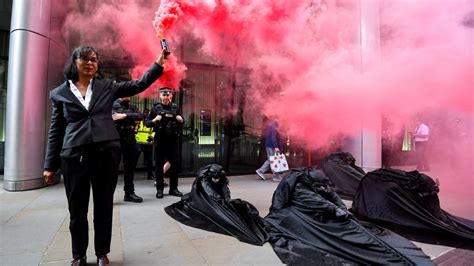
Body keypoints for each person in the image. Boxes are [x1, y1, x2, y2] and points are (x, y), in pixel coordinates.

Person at [43, 46, 167, 266]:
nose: (91, 62)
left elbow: (138, 85)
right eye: (85, 59)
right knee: (77, 210)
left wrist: (159, 63)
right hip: (74, 157)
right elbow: (56, 130)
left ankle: (102, 252)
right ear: (74, 62)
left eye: (94, 59)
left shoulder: (107, 86)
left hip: (105, 154)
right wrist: (49, 165)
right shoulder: (59, 92)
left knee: (103, 206)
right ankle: (78, 255)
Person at [146, 87, 184, 198]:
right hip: (160, 140)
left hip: (173, 140)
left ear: (171, 96)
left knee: (175, 165)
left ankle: (173, 189)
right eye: (164, 95)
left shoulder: (175, 108)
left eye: (168, 95)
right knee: (158, 166)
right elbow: (147, 122)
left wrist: (181, 120)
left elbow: (182, 122)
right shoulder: (155, 108)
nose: (166, 97)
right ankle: (159, 189)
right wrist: (154, 120)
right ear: (160, 96)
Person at [112, 96, 144, 203]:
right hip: (116, 139)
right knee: (112, 169)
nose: (130, 95)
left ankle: (129, 193)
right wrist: (128, 117)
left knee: (129, 168)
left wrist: (124, 115)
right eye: (127, 93)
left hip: (130, 139)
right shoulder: (113, 105)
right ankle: (108, 196)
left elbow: (140, 116)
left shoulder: (132, 107)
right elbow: (113, 117)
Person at [256, 117, 283, 182]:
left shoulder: (271, 123)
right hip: (272, 146)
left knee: (271, 159)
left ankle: (261, 171)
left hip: (269, 145)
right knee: (274, 160)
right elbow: (273, 136)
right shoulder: (274, 124)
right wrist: (276, 146)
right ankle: (275, 176)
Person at [135, 108, 155, 181]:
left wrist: (152, 137)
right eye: (145, 112)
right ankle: (130, 174)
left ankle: (150, 175)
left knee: (149, 161)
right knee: (134, 160)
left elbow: (154, 131)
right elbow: (135, 131)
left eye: (147, 113)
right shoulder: (139, 122)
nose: (146, 114)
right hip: (139, 143)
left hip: (148, 143)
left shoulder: (151, 122)